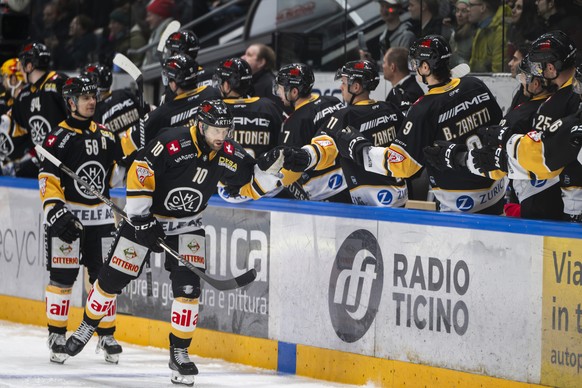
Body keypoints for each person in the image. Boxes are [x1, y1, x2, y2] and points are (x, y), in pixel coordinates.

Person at [64, 99, 282, 386]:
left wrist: (267, 175)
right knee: (111, 281)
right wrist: (141, 218)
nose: (221, 135)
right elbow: (140, 169)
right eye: (215, 129)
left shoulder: (229, 152)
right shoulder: (171, 142)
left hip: (188, 225)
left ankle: (179, 352)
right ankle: (86, 325)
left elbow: (251, 183)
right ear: (201, 125)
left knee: (189, 291)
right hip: (146, 222)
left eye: (225, 129)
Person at [326, 36, 505, 213]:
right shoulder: (475, 84)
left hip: (460, 206)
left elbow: (403, 164)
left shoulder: (423, 109)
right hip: (496, 193)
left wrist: (360, 149)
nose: (414, 69)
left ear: (426, 67)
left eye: (416, 64)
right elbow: (498, 128)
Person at [38, 76, 125, 365]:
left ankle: (106, 334)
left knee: (104, 279)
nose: (91, 102)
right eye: (85, 98)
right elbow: (48, 181)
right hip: (69, 220)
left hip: (100, 220)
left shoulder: (107, 135)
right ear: (71, 102)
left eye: (93, 97)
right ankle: (57, 335)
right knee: (62, 280)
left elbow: (117, 173)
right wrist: (56, 212)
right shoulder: (56, 138)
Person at [474, 31, 580, 220]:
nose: (536, 72)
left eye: (538, 66)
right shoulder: (568, 91)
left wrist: (504, 152)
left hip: (569, 204)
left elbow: (545, 157)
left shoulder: (561, 102)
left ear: (551, 66)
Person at [274, 60, 407, 207]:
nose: (340, 87)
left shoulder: (346, 116)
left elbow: (323, 146)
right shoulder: (390, 108)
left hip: (366, 199)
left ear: (355, 87)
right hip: (399, 193)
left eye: (343, 83)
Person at [123, 53, 221, 154]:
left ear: (174, 83)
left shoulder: (165, 112)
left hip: (182, 164)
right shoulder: (214, 93)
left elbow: (128, 140)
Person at [273, 63, 344, 200]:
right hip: (347, 181)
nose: (279, 93)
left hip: (323, 192)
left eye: (280, 89)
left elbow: (288, 171)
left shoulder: (295, 122)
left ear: (294, 92)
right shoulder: (332, 101)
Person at [9, 43, 68, 177]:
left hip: (64, 155)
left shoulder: (58, 83)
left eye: (23, 65)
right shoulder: (24, 96)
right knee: (18, 172)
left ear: (29, 66)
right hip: (41, 156)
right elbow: (17, 129)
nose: (21, 70)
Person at [213, 57, 282, 158]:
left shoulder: (215, 110)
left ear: (227, 85)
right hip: (262, 172)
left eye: (220, 81)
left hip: (226, 172)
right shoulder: (268, 107)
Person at [81, 63, 142, 139]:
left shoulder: (95, 112)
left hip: (122, 149)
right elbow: (148, 111)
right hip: (143, 144)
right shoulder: (125, 93)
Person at [468, 0, 509, 73]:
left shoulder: (500, 30)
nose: (468, 9)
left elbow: (498, 71)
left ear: (483, 8)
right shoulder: (481, 29)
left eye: (471, 5)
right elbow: (473, 63)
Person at [241, 43, 283, 111]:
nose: (242, 57)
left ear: (261, 62)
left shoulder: (271, 85)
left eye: (249, 55)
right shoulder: (249, 80)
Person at [382, 47, 424, 115]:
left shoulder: (409, 94)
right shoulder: (401, 90)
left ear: (392, 67)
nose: (382, 66)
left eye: (384, 62)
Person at [143, 0, 176, 66]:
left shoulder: (170, 32)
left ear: (160, 15)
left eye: (150, 15)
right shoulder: (156, 31)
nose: (147, 19)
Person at [449, 0, 476, 67]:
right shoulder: (455, 32)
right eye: (457, 10)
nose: (459, 14)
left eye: (463, 11)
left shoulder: (473, 34)